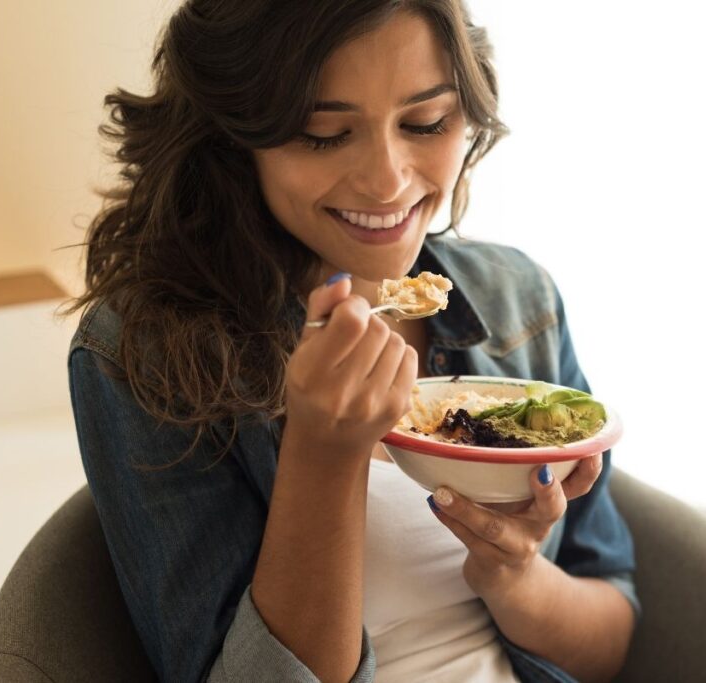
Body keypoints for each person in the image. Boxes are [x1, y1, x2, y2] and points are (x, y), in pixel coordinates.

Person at [61, 1, 639, 681]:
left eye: (426, 122)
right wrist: (324, 456)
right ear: (235, 133)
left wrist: (512, 572)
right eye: (324, 133)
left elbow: (610, 637)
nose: (388, 180)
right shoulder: (146, 351)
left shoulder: (519, 299)